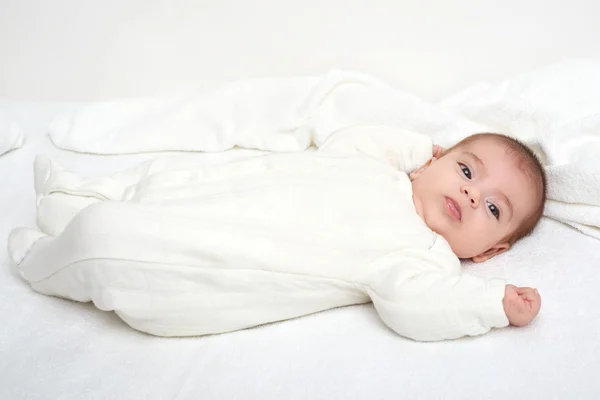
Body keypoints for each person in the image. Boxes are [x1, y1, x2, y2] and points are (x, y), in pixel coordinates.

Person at [8, 125, 544, 341]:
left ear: (489, 251)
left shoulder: (425, 256)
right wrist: (407, 150)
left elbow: (420, 308)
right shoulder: (381, 171)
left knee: (107, 242)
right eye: (467, 171)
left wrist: (492, 305)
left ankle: (42, 261)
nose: (474, 194)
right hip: (212, 201)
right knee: (158, 182)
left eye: (494, 209)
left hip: (203, 269)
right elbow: (345, 141)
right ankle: (68, 198)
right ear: (434, 160)